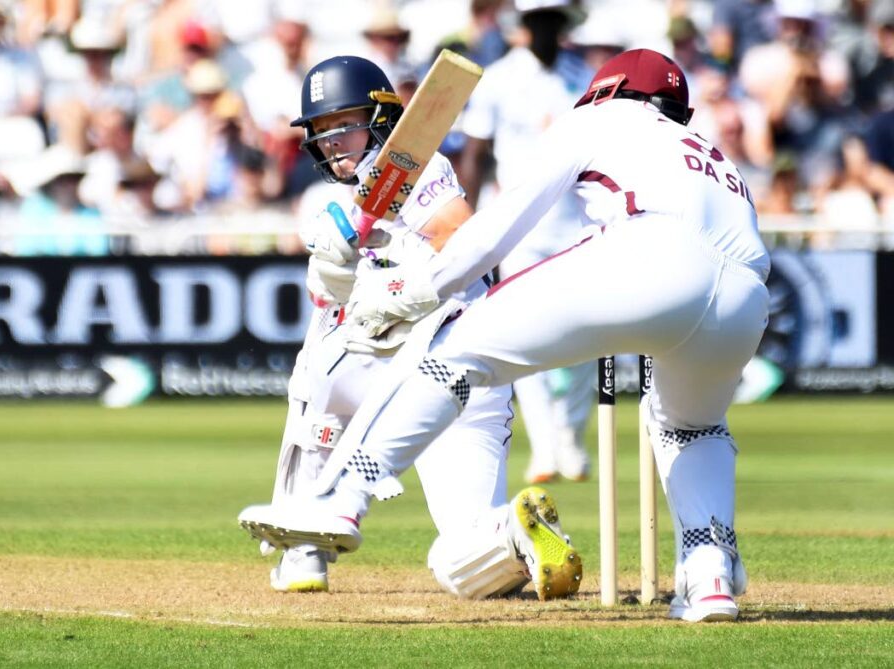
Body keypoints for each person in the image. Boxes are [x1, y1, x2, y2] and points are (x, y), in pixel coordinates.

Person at [241, 49, 771, 624]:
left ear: (605, 89)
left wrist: (414, 289)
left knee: (452, 352)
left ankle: (338, 501)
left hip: (650, 253)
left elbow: (493, 229)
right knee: (693, 428)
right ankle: (710, 573)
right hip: (745, 297)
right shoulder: (712, 154)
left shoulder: (596, 118)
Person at [251, 54, 582, 601]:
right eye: (322, 130)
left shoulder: (420, 168)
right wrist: (335, 271)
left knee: (467, 563)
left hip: (450, 366)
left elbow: (459, 235)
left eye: (344, 124)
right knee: (318, 366)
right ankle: (310, 545)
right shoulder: (330, 200)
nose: (331, 141)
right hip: (387, 369)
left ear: (382, 120)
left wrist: (397, 278)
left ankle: (308, 543)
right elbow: (327, 303)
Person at [459, 0, 595, 484]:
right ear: (525, 25)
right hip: (518, 229)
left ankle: (571, 437)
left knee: (585, 335)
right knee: (525, 335)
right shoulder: (497, 77)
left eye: (554, 22)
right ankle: (544, 448)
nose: (546, 31)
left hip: (579, 224)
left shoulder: (586, 77)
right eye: (539, 21)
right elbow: (475, 154)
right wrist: (464, 226)